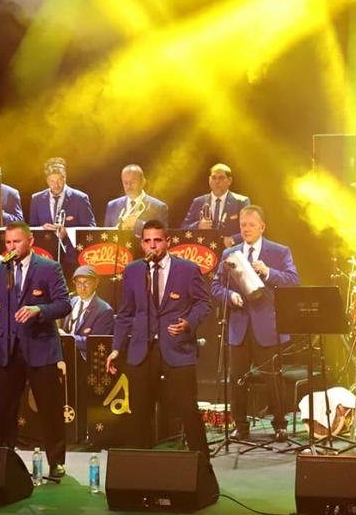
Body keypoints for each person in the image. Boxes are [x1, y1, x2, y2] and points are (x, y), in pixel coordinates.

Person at [0, 222, 71, 479]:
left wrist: (39, 310)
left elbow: (64, 304)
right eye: (8, 242)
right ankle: (2, 457)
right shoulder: (0, 268)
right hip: (7, 348)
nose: (11, 247)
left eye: (17, 242)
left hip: (41, 348)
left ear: (30, 241)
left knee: (50, 409)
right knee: (3, 409)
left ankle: (56, 461)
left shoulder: (49, 267)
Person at [106, 219, 210, 458]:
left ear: (167, 241)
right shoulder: (133, 270)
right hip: (142, 350)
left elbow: (203, 303)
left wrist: (188, 323)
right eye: (147, 241)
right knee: (138, 412)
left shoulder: (187, 269)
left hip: (176, 348)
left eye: (157, 240)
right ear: (142, 244)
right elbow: (126, 313)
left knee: (187, 409)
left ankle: (202, 467)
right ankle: (141, 467)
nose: (152, 245)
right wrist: (116, 348)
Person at [211, 205, 299, 441]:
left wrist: (269, 272)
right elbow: (216, 286)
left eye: (251, 225)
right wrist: (230, 296)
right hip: (238, 326)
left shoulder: (279, 252)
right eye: (243, 225)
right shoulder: (230, 254)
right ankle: (240, 425)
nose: (246, 229)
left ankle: (279, 424)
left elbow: (293, 280)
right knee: (237, 379)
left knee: (273, 378)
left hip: (268, 326)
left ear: (262, 227)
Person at [29, 157, 96, 272]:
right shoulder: (37, 199)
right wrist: (42, 228)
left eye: (59, 180)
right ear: (47, 181)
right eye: (52, 181)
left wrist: (68, 232)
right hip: (45, 258)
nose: (56, 185)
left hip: (72, 259)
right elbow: (32, 228)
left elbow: (91, 228)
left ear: (65, 177)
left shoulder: (80, 198)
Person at [61, 265, 114, 358]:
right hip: (65, 356)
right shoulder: (71, 301)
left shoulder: (105, 310)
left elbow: (96, 343)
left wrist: (67, 338)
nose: (82, 288)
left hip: (86, 359)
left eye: (87, 283)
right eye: (79, 283)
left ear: (96, 283)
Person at [181, 163, 250, 233]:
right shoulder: (198, 202)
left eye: (221, 178)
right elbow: (183, 228)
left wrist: (233, 238)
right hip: (205, 240)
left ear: (229, 180)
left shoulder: (241, 202)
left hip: (231, 240)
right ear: (209, 180)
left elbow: (249, 229)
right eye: (214, 178)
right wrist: (198, 225)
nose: (217, 181)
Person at [103, 164, 168, 232]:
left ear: (143, 182)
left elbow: (162, 233)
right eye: (125, 183)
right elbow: (105, 234)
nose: (129, 186)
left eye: (133, 182)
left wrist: (137, 224)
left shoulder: (159, 207)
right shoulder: (112, 205)